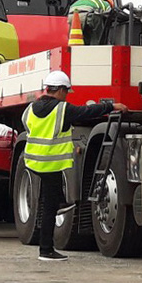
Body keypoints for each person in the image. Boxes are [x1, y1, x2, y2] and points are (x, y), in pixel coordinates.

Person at [24, 70, 126, 261]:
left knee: (51, 201)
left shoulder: (30, 108)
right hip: (51, 163)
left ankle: (61, 207)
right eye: (66, 91)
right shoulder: (62, 109)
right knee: (50, 207)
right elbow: (87, 112)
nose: (66, 95)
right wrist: (112, 106)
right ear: (61, 90)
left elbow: (25, 124)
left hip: (33, 161)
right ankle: (46, 250)